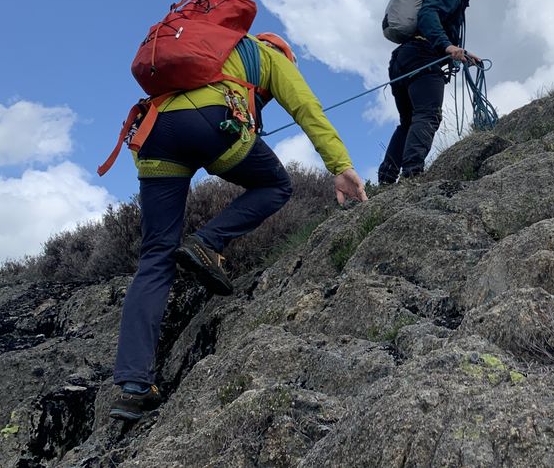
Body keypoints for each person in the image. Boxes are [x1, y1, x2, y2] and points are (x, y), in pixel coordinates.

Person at [109, 33, 367, 421]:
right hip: (211, 120)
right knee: (276, 185)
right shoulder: (270, 57)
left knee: (155, 257)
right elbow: (307, 108)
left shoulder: (210, 54)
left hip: (155, 132)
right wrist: (340, 166)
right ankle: (208, 242)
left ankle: (133, 387)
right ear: (286, 55)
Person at [377, 0, 493, 184]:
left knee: (408, 121)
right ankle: (412, 174)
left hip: (403, 58)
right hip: (423, 57)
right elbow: (429, 15)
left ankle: (387, 177)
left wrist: (461, 52)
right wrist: (446, 46)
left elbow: (434, 23)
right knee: (428, 115)